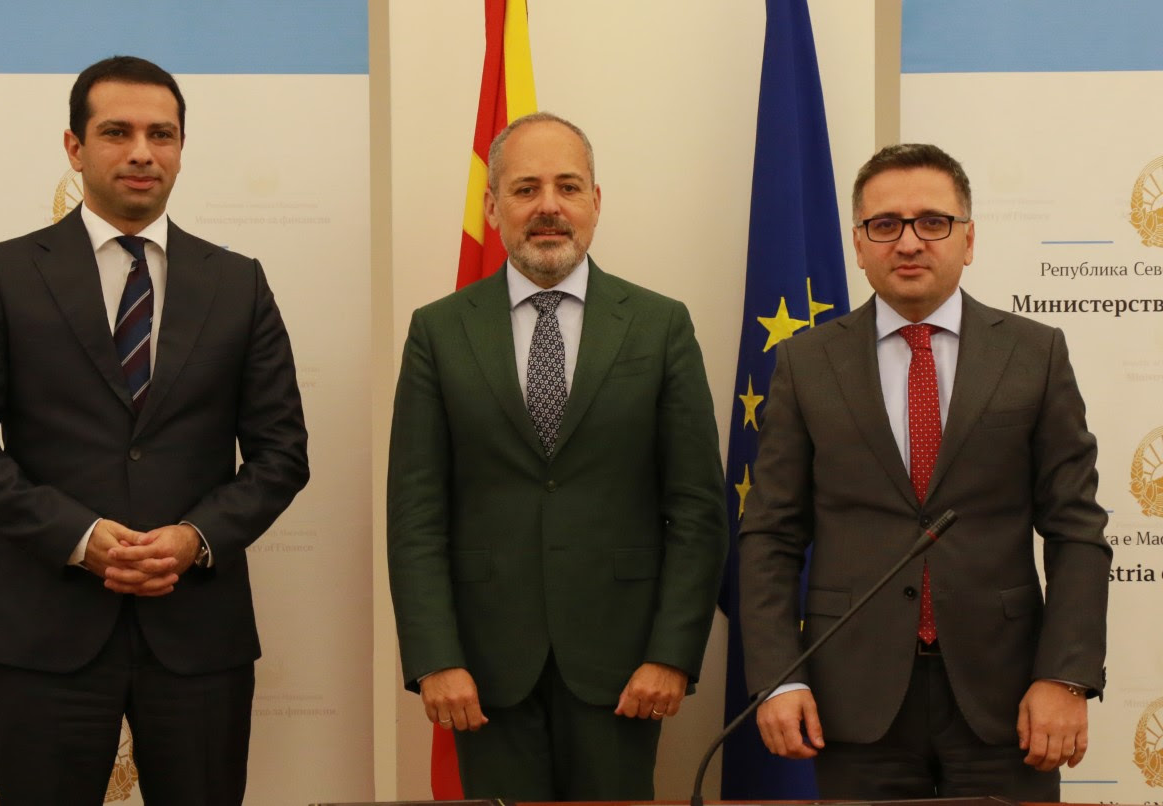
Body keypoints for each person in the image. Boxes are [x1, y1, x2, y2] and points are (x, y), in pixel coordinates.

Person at [0, 55, 309, 804]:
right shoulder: (5, 274)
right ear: (75, 148)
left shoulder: (238, 283)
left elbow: (281, 454)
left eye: (161, 134)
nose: (142, 152)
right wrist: (79, 536)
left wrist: (196, 538)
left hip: (198, 634)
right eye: (117, 132)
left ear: (181, 147)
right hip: (43, 631)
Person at [738, 143, 1110, 800]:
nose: (909, 242)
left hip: (1007, 698)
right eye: (886, 224)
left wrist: (1066, 676)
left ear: (969, 240)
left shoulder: (1035, 353)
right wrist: (779, 676)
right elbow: (770, 534)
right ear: (859, 244)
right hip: (851, 698)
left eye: (933, 222)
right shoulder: (806, 363)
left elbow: (1076, 528)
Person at [387, 112, 727, 800]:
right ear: (492, 208)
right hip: (484, 674)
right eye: (526, 189)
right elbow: (416, 514)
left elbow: (697, 509)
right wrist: (434, 659)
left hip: (625, 669)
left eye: (568, 187)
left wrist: (671, 655)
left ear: (595, 202)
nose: (549, 206)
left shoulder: (660, 326)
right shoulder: (439, 331)